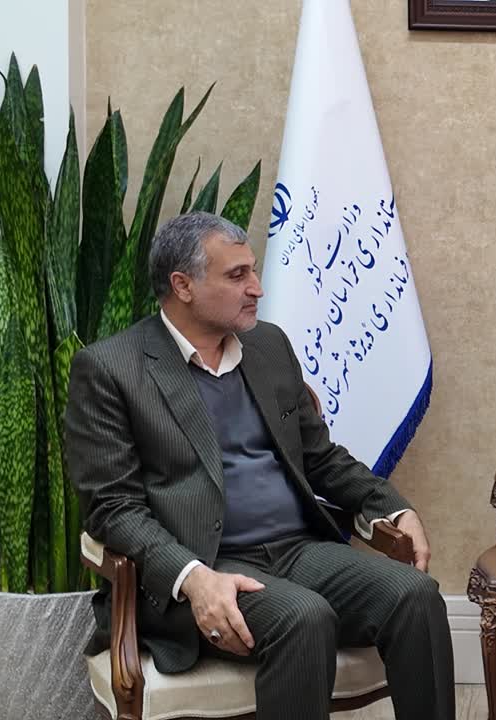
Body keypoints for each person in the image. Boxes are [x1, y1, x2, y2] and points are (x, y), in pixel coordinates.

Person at [65, 212, 454, 720]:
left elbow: (319, 457)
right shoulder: (111, 369)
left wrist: (391, 507)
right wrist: (194, 577)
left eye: (252, 270)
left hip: (298, 550)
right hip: (206, 562)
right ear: (182, 286)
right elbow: (113, 509)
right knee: (303, 618)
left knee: (416, 596)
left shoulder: (267, 346)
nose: (257, 288)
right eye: (237, 275)